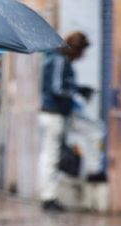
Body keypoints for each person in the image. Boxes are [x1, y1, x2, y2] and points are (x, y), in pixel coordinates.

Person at [38, 31, 94, 212]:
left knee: (51, 155)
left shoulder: (56, 58)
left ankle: (49, 195)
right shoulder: (59, 60)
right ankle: (48, 197)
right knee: (51, 156)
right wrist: (77, 92)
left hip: (54, 113)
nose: (82, 56)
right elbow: (57, 88)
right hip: (53, 114)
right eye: (82, 51)